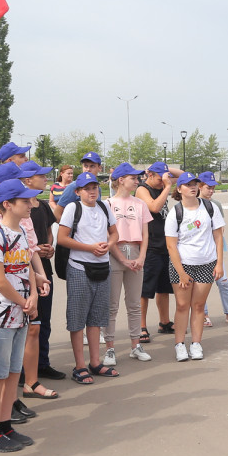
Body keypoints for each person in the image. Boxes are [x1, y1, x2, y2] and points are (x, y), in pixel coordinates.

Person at [0, 178, 41, 453]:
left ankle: (5, 426)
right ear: (7, 204)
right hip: (1, 315)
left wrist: (34, 296)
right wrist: (23, 302)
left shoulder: (21, 234)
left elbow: (26, 265)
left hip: (21, 314)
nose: (30, 205)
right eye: (24, 201)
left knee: (13, 373)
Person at [57, 172, 119, 383]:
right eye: (87, 188)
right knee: (77, 318)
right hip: (79, 268)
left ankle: (95, 362)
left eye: (95, 187)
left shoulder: (104, 207)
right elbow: (62, 238)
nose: (92, 191)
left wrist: (108, 246)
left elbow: (114, 233)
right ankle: (79, 365)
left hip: (102, 267)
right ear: (78, 192)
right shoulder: (72, 209)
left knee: (97, 318)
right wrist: (90, 248)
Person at [165, 173, 225, 362]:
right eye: (187, 184)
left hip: (206, 263)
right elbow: (171, 245)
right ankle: (180, 344)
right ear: (179, 189)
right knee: (182, 306)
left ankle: (196, 343)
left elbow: (218, 236)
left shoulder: (210, 207)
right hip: (182, 265)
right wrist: (181, 273)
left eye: (195, 184)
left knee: (198, 306)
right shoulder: (176, 212)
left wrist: (219, 263)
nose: (192, 187)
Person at [22, 162, 65, 388]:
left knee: (44, 319)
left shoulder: (43, 207)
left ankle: (42, 362)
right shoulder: (20, 208)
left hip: (43, 268)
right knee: (28, 322)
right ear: (28, 180)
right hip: (25, 270)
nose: (46, 179)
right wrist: (37, 250)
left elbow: (49, 231)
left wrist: (49, 246)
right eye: (41, 176)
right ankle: (22, 369)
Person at [106, 163, 152, 364]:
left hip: (135, 253)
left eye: (138, 177)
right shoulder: (107, 204)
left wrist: (141, 257)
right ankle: (110, 348)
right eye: (133, 178)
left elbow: (145, 233)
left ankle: (136, 345)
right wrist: (122, 258)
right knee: (112, 305)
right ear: (120, 180)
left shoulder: (140, 204)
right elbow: (108, 235)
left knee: (134, 304)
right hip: (115, 254)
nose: (137, 180)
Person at [137, 162, 177, 337]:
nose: (163, 182)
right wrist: (167, 186)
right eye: (160, 178)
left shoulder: (162, 184)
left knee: (164, 288)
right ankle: (141, 326)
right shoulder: (142, 189)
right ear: (150, 175)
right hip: (151, 245)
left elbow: (183, 174)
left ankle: (164, 321)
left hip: (164, 245)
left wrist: (166, 172)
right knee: (145, 290)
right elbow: (154, 207)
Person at [197, 171, 228, 326]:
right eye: (208, 187)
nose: (211, 191)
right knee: (201, 284)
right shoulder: (193, 204)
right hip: (200, 251)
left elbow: (221, 227)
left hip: (216, 248)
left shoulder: (216, 205)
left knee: (223, 281)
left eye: (213, 188)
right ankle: (204, 315)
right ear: (200, 186)